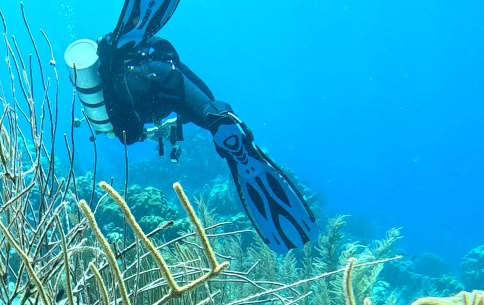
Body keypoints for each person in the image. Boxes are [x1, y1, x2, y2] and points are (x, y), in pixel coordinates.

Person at [89, 0, 318, 253]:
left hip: (129, 86)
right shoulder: (154, 45)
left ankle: (213, 119)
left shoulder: (108, 60)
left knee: (128, 135)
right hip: (165, 73)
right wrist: (208, 111)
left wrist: (110, 78)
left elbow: (128, 132)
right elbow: (195, 82)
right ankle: (221, 120)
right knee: (208, 112)